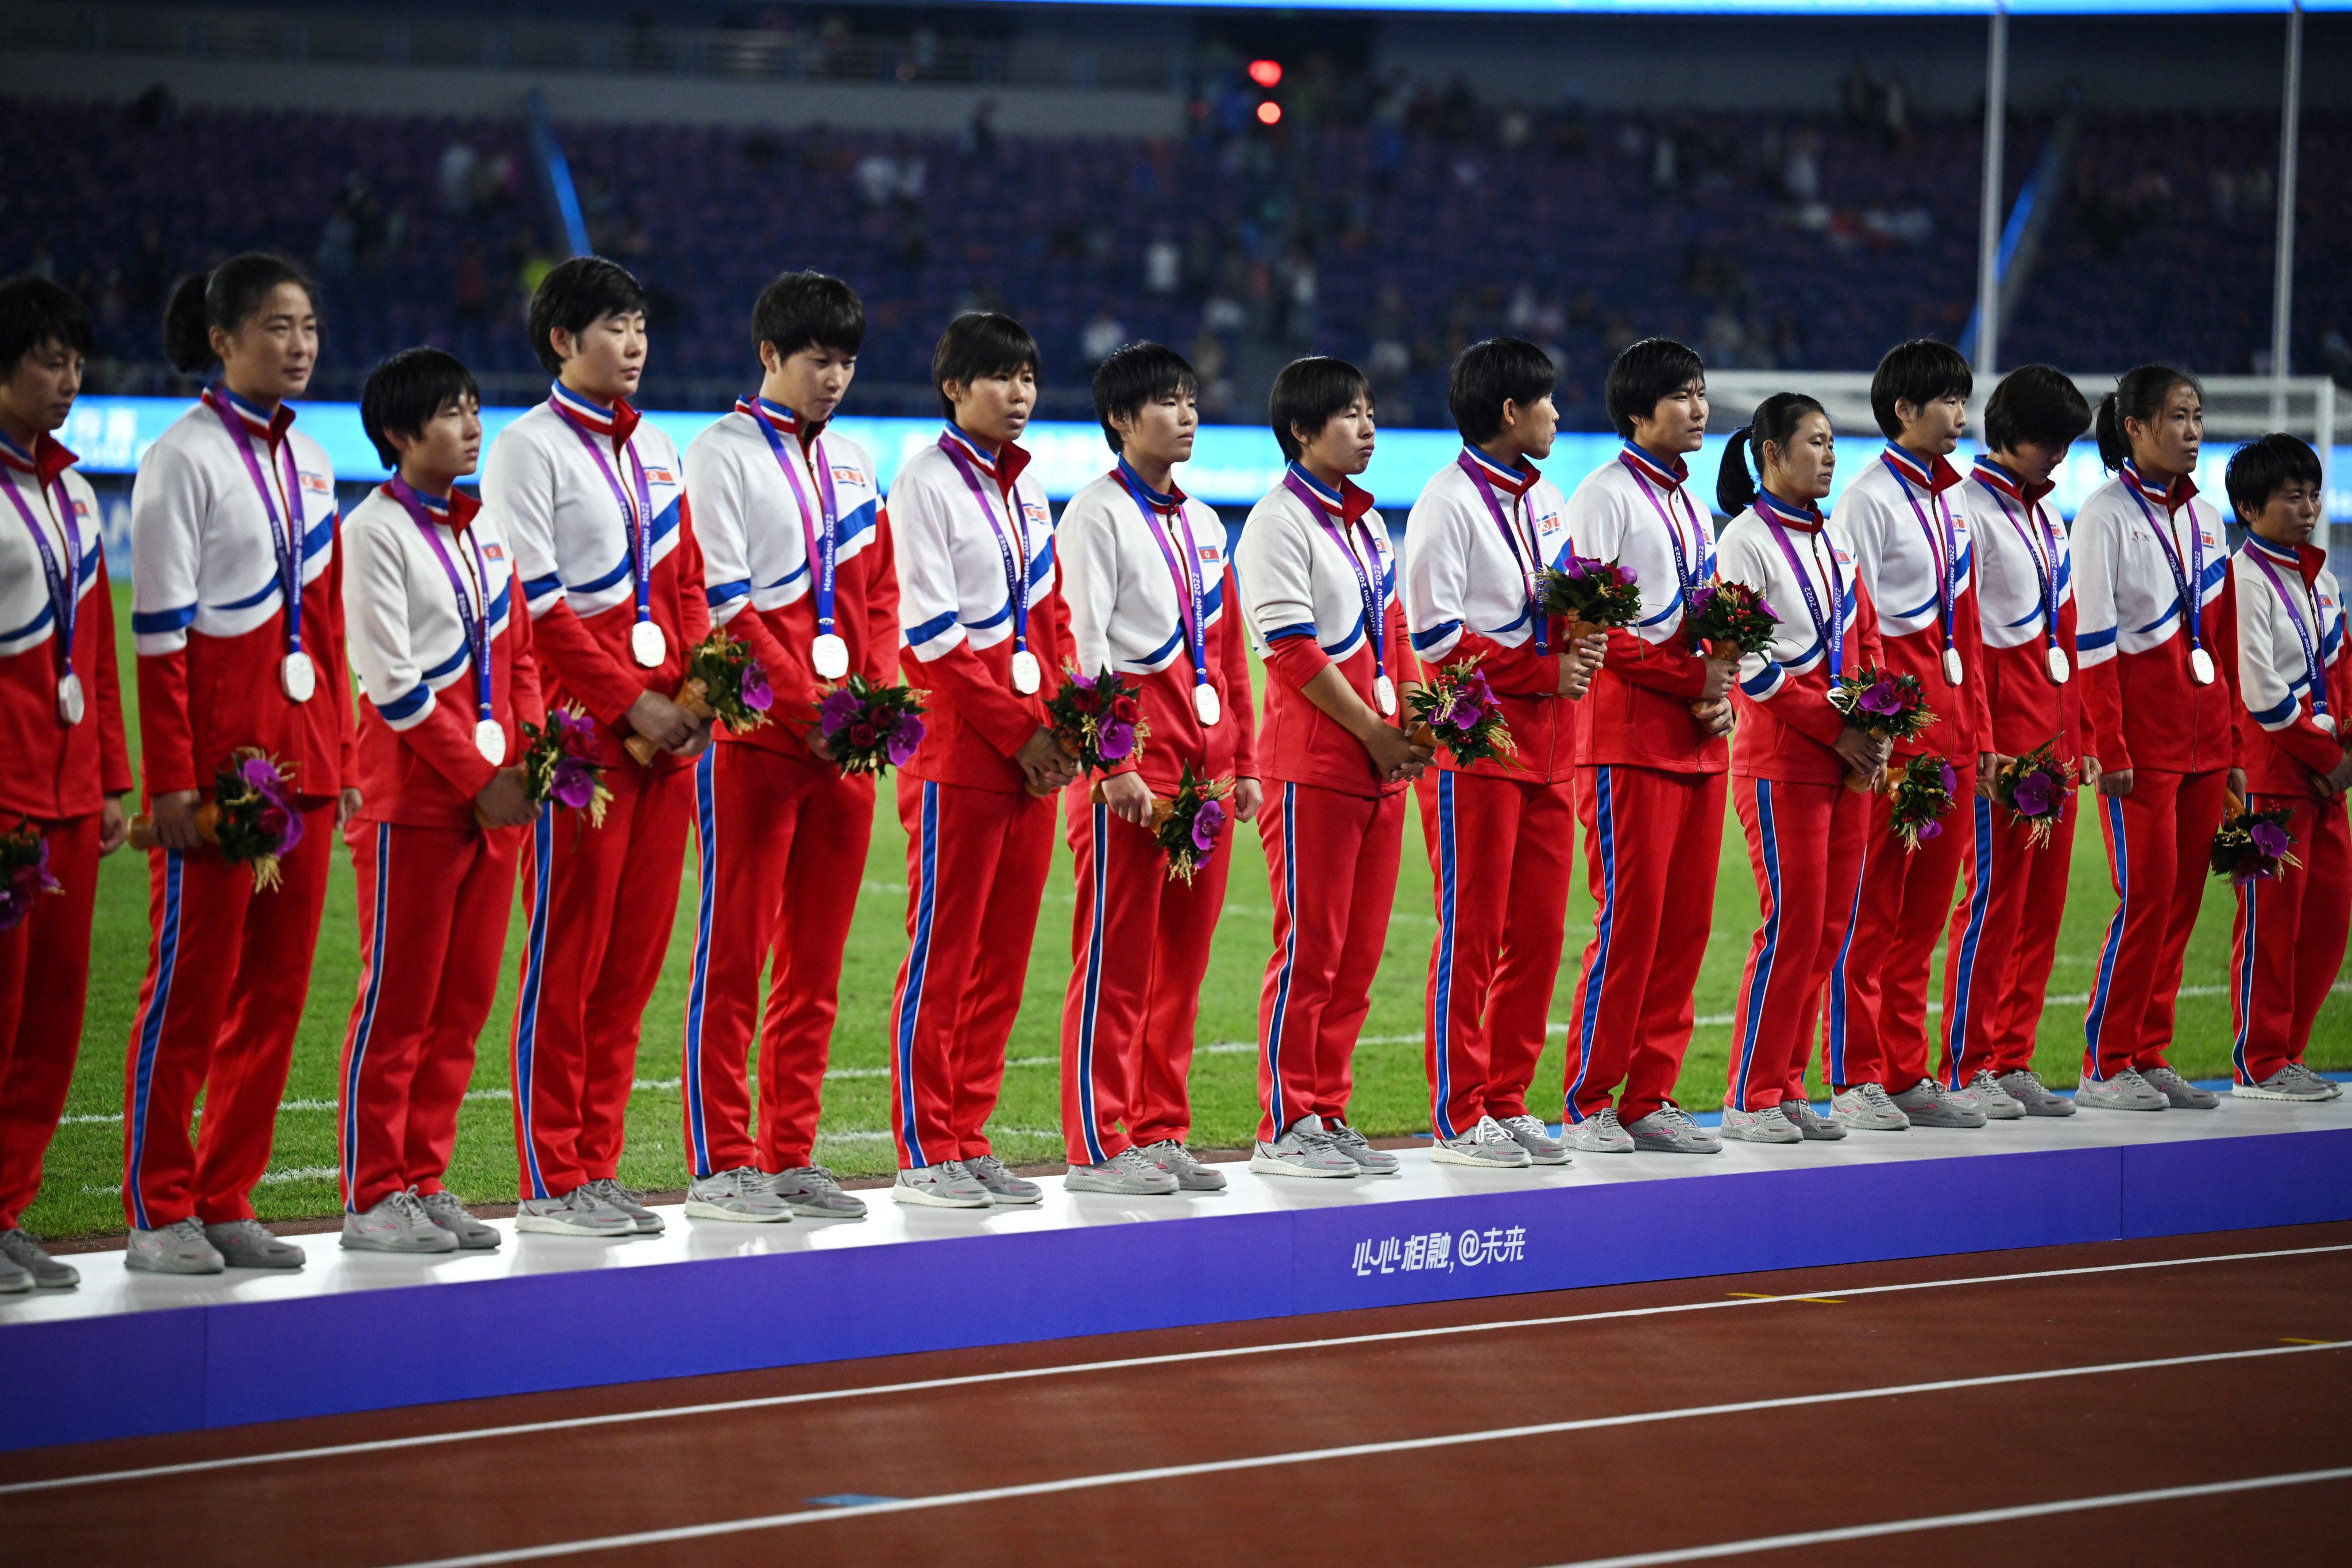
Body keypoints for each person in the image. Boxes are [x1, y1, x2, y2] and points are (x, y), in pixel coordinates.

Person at [125, 254, 356, 1273]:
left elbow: (331, 627)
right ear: (221, 340)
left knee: (275, 998)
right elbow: (161, 635)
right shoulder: (181, 458)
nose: (298, 345)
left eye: (307, 326)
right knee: (189, 993)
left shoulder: (310, 460)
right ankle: (159, 1209)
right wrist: (173, 782)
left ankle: (224, 1196)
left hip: (302, 769)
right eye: (275, 326)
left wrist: (342, 755)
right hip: (221, 781)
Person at [481, 256, 711, 1236]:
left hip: (668, 745)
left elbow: (693, 583)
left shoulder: (658, 446)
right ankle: (551, 1176)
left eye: (641, 327)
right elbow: (535, 610)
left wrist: (698, 688)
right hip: (586, 743)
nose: (633, 345)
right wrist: (632, 705)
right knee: (569, 957)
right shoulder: (525, 451)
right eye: (613, 327)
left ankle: (599, 1164)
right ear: (561, 342)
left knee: (632, 964)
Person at [677, 271, 888, 1223]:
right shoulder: (719, 453)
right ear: (769, 355)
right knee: (735, 955)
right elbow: (728, 610)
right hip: (761, 743)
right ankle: (725, 1161)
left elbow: (878, 599)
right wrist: (819, 715)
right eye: (816, 359)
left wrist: (873, 708)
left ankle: (790, 1151)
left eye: (845, 360)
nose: (833, 377)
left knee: (816, 964)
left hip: (844, 754)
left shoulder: (853, 462)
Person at [337, 348, 536, 1252]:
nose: (470, 427)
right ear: (399, 433)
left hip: (493, 801)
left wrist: (527, 760)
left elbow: (521, 655)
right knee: (399, 999)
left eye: (473, 408)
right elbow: (389, 679)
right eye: (450, 414)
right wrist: (480, 778)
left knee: (461, 1003)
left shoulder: (484, 526)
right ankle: (374, 1193)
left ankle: (425, 1174)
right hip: (414, 803)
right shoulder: (373, 530)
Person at [1054, 341, 1260, 1196]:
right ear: (1118, 419)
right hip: (1134, 774)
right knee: (1114, 959)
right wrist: (1108, 763)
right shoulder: (1093, 516)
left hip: (1203, 771)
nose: (1184, 414)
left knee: (1180, 964)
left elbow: (1226, 652)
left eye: (1189, 400)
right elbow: (1082, 647)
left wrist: (1243, 760)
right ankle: (1098, 1144)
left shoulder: (1207, 523)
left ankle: (1159, 1126)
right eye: (1165, 402)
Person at [885, 311, 1074, 1208]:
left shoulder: (1025, 490)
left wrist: (1071, 722)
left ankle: (967, 1133)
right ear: (953, 387)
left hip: (1027, 756)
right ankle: (925, 1150)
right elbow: (930, 635)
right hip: (959, 751)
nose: (1019, 395)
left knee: (999, 962)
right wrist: (1021, 731)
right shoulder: (924, 483)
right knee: (944, 955)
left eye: (1029, 378)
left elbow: (1052, 617)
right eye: (999, 377)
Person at [1401, 338, 1599, 1171]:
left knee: (1538, 934)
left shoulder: (1545, 498)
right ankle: (1457, 1113)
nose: (1556, 412)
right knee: (1472, 933)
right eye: (1544, 400)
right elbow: (1437, 638)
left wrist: (1584, 623)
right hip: (1477, 749)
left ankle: (1508, 1099)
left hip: (1553, 747)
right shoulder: (1444, 504)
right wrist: (1542, 665)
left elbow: (1545, 598)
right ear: (1509, 412)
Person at [1233, 356, 1430, 1180]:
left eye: (1370, 410)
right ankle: (1284, 1122)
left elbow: (1394, 628)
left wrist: (1414, 713)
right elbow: (1288, 650)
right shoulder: (1278, 521)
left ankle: (1327, 1106)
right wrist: (1372, 731)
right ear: (1301, 431)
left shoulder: (1365, 523)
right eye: (1347, 414)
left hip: (1376, 764)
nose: (1367, 426)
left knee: (1356, 952)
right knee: (1310, 945)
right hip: (1314, 764)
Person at [1559, 338, 1735, 1156]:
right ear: (1637, 410)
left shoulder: (1690, 506)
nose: (1697, 409)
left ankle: (1649, 1093)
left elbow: (1697, 628)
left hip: (1692, 740)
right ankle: (1590, 1099)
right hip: (1625, 740)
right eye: (1680, 396)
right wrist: (1690, 681)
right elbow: (1591, 628)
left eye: (1700, 394)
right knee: (1629, 924)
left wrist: (1717, 687)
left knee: (1685, 928)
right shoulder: (1603, 496)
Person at [1828, 338, 1995, 1132]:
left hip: (1955, 730)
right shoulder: (1865, 499)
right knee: (1874, 910)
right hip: (1899, 736)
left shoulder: (1951, 499)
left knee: (1924, 914)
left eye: (1963, 401)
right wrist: (1873, 729)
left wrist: (1982, 731)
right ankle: (1855, 1075)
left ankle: (1902, 1070)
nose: (1960, 415)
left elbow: (1967, 627)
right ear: (1903, 409)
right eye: (1947, 401)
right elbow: (1849, 627)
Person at [0, 278, 130, 1291]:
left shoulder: (75, 493)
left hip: (73, 795)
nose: (69, 380)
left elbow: (96, 644)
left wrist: (117, 779)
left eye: (77, 362)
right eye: (49, 359)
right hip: (5, 793)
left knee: (51, 1019)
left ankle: (7, 1215)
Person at [1714, 393, 1885, 1142]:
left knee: (1826, 927)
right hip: (1779, 759)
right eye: (1812, 443)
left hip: (1840, 756)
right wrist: (1836, 728)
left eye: (1830, 443)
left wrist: (1874, 725)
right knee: (1789, 924)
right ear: (1770, 453)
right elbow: (1748, 667)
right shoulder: (1741, 541)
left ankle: (1785, 1086)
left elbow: (1860, 643)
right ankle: (1748, 1094)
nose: (1826, 456)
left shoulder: (1833, 542)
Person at [2073, 366, 2237, 1111]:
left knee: (2179, 904)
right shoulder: (2102, 515)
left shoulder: (2206, 517)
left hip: (2203, 744)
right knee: (2142, 898)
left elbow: (2221, 637)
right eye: (2176, 416)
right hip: (2138, 749)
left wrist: (2231, 746)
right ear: (2134, 426)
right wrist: (2106, 744)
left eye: (2197, 416)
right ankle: (2103, 1063)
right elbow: (2092, 642)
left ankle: (2148, 1049)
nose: (2192, 431)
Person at [1936, 366, 2094, 1118]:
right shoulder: (1964, 510)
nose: (2057, 454)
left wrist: (2082, 731)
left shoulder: (2048, 514)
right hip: (2000, 741)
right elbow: (1961, 638)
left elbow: (2065, 633)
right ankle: (1967, 1065)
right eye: (2046, 440)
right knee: (1994, 902)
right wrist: (1986, 742)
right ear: (2006, 433)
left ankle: (2013, 1056)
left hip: (2052, 736)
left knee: (2041, 907)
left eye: (2065, 441)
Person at [2218, 433, 2347, 1102]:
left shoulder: (2320, 577)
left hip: (2327, 781)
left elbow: (2342, 667)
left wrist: (2345, 751)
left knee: (2329, 917)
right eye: (2291, 496)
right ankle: (2260, 1061)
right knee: (2271, 923)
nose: (2307, 508)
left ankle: (2289, 1052)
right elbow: (2259, 687)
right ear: (2249, 507)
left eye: (2312, 495)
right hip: (2272, 777)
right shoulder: (2241, 578)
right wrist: (2332, 758)